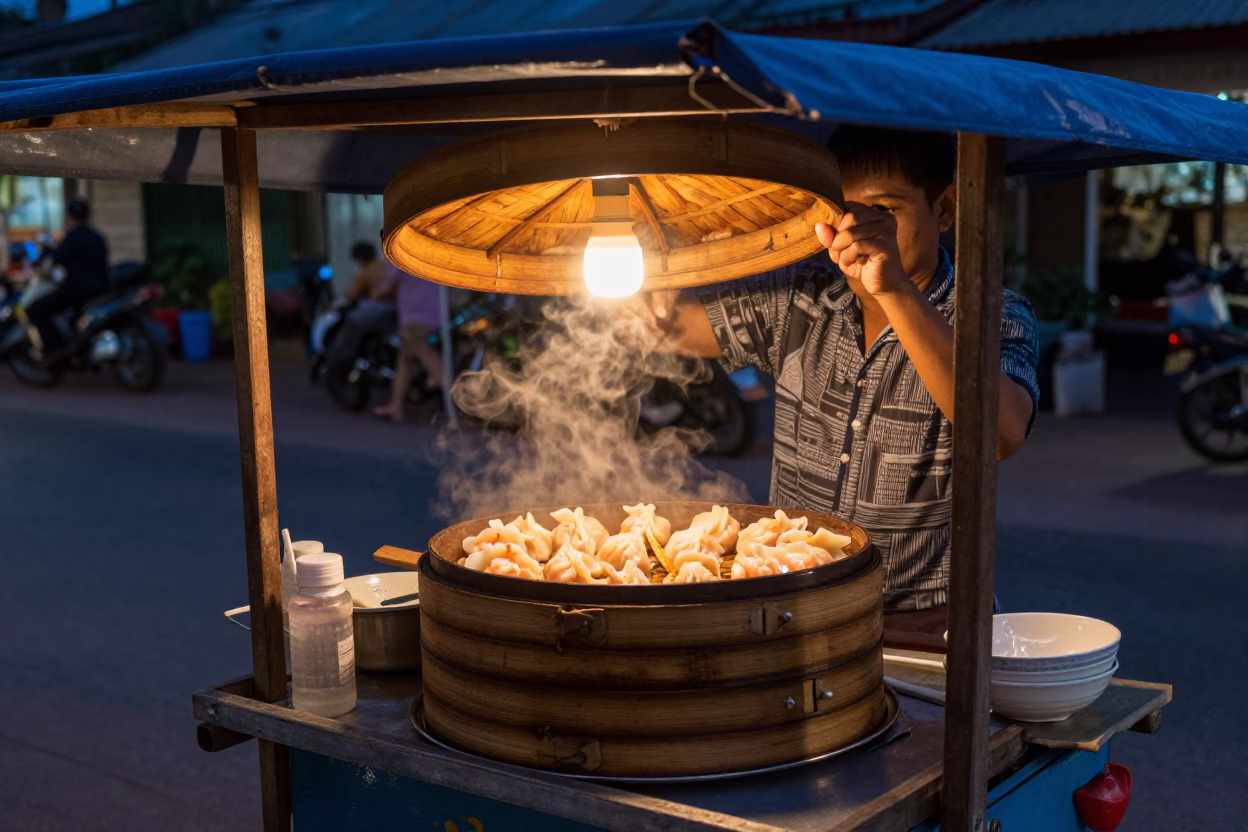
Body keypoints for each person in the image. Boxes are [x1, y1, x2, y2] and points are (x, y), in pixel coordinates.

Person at [647, 126, 1040, 636]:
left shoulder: (991, 315)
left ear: (944, 210)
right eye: (841, 215)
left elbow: (999, 433)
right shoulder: (797, 297)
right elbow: (665, 326)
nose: (856, 233)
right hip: (794, 611)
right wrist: (644, 255)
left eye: (884, 214)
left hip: (925, 626)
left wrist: (894, 286)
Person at [25, 198, 110, 361]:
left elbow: (55, 261)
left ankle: (57, 350)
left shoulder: (72, 238)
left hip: (78, 290)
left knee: (36, 310)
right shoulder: (98, 237)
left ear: (69, 216)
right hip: (103, 288)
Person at [373, 265, 445, 423]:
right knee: (405, 359)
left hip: (415, 317)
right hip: (436, 314)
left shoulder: (403, 257)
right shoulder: (433, 256)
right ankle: (396, 406)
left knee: (429, 360)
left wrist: (376, 294)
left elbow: (388, 286)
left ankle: (460, 401)